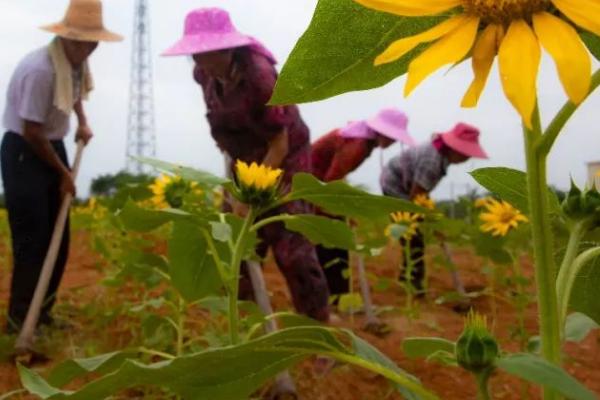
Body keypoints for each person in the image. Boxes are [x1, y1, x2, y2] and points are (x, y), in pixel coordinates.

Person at [163, 8, 330, 321]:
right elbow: (220, 115)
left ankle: (317, 330)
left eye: (204, 54)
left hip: (285, 160)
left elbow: (279, 143)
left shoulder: (259, 76)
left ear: (226, 49)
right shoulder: (205, 75)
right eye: (194, 55)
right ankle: (251, 322)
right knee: (235, 243)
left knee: (292, 247)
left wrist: (247, 194)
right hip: (245, 160)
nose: (198, 62)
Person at [1, 0, 122, 333]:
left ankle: (43, 315)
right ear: (66, 38)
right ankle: (19, 321)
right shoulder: (39, 70)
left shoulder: (75, 63)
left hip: (50, 146)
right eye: (82, 41)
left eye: (93, 41)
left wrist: (82, 122)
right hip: (25, 152)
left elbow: (74, 94)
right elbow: (31, 131)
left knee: (59, 236)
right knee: (32, 240)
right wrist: (63, 173)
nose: (88, 48)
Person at [311, 108, 415, 300]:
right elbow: (332, 180)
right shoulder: (357, 145)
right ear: (382, 132)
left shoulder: (362, 141)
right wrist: (335, 213)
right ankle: (333, 297)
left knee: (334, 240)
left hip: (318, 188)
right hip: (313, 188)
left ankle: (335, 296)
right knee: (332, 241)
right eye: (392, 137)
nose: (393, 142)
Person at [380, 123, 488, 293]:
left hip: (408, 186)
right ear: (454, 148)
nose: (467, 158)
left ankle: (408, 278)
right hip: (396, 185)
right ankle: (412, 284)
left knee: (414, 235)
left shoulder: (438, 154)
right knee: (412, 236)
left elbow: (421, 194)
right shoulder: (432, 161)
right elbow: (417, 197)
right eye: (466, 153)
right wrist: (432, 223)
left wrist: (431, 219)